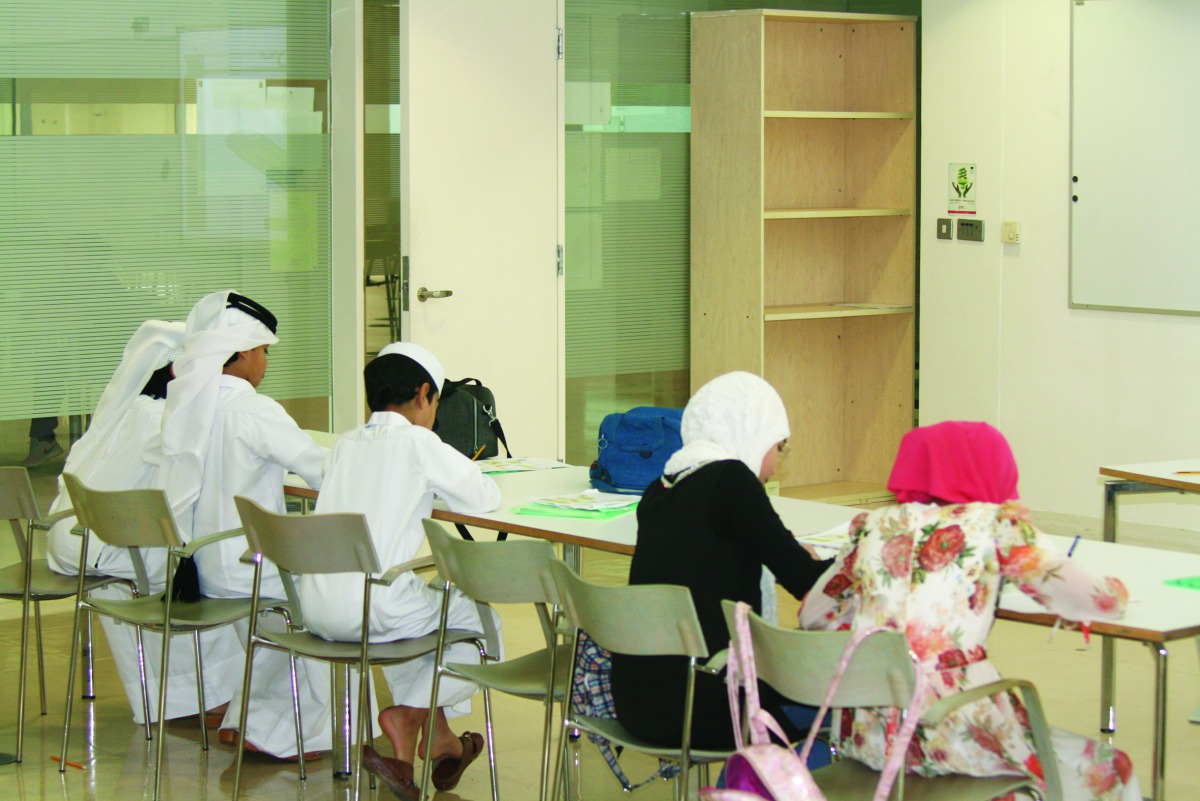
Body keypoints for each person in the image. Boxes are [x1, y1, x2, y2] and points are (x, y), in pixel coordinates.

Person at [798, 421, 1140, 801]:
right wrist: (1117, 587)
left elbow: (813, 615)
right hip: (958, 735)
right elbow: (1098, 600)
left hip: (869, 738)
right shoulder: (995, 526)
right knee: (1110, 766)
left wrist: (882, 623)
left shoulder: (871, 526)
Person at [301, 342, 502, 799]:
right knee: (480, 621)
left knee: (424, 623)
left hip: (317, 608)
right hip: (377, 608)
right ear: (423, 394)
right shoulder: (419, 443)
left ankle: (436, 744)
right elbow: (484, 498)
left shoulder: (344, 444)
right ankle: (408, 715)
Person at [609, 371, 832, 750]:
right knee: (851, 699)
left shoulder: (659, 490)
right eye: (778, 447)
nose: (776, 462)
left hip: (639, 705)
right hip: (714, 708)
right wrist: (859, 556)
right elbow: (806, 582)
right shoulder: (732, 480)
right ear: (753, 433)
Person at [44, 320, 243, 726]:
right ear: (178, 371)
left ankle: (168, 698)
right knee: (209, 574)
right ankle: (215, 696)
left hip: (71, 540)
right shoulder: (162, 422)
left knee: (144, 574)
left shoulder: (123, 411)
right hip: (107, 544)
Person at [159, 289, 330, 760]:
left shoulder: (187, 405)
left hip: (199, 567)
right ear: (243, 353)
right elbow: (320, 469)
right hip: (251, 569)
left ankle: (246, 718)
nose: (265, 363)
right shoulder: (254, 410)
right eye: (263, 352)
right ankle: (283, 734)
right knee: (336, 599)